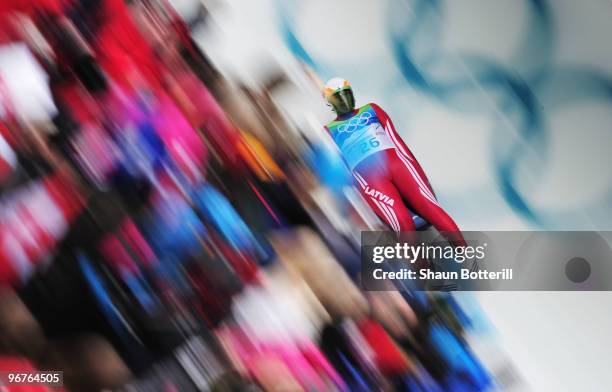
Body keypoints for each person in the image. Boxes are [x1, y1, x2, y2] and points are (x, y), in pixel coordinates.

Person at [322, 77, 463, 243]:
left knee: (430, 209)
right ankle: (422, 267)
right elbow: (340, 169)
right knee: (402, 225)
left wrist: (421, 178)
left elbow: (397, 141)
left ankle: (469, 259)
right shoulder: (328, 130)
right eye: (338, 96)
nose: (344, 99)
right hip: (372, 180)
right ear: (330, 103)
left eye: (345, 94)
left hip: (397, 166)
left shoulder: (371, 109)